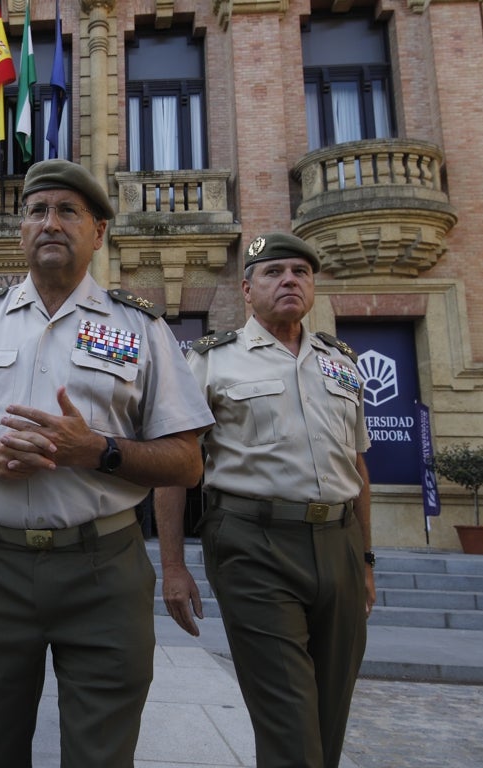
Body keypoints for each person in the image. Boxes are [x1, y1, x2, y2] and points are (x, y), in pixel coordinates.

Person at [0, 158, 214, 767]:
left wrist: (98, 450)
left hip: (104, 569)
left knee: (102, 755)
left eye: (69, 211)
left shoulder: (141, 329)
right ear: (21, 232)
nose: (51, 222)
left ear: (98, 233)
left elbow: (187, 463)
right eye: (38, 211)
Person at [155, 231, 376, 768]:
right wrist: (172, 567)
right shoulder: (212, 361)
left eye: (300, 272)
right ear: (247, 290)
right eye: (274, 273)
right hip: (253, 545)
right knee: (289, 719)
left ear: (313, 287)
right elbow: (173, 467)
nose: (290, 281)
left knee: (330, 713)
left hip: (340, 543)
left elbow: (358, 464)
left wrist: (366, 561)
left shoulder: (340, 362)